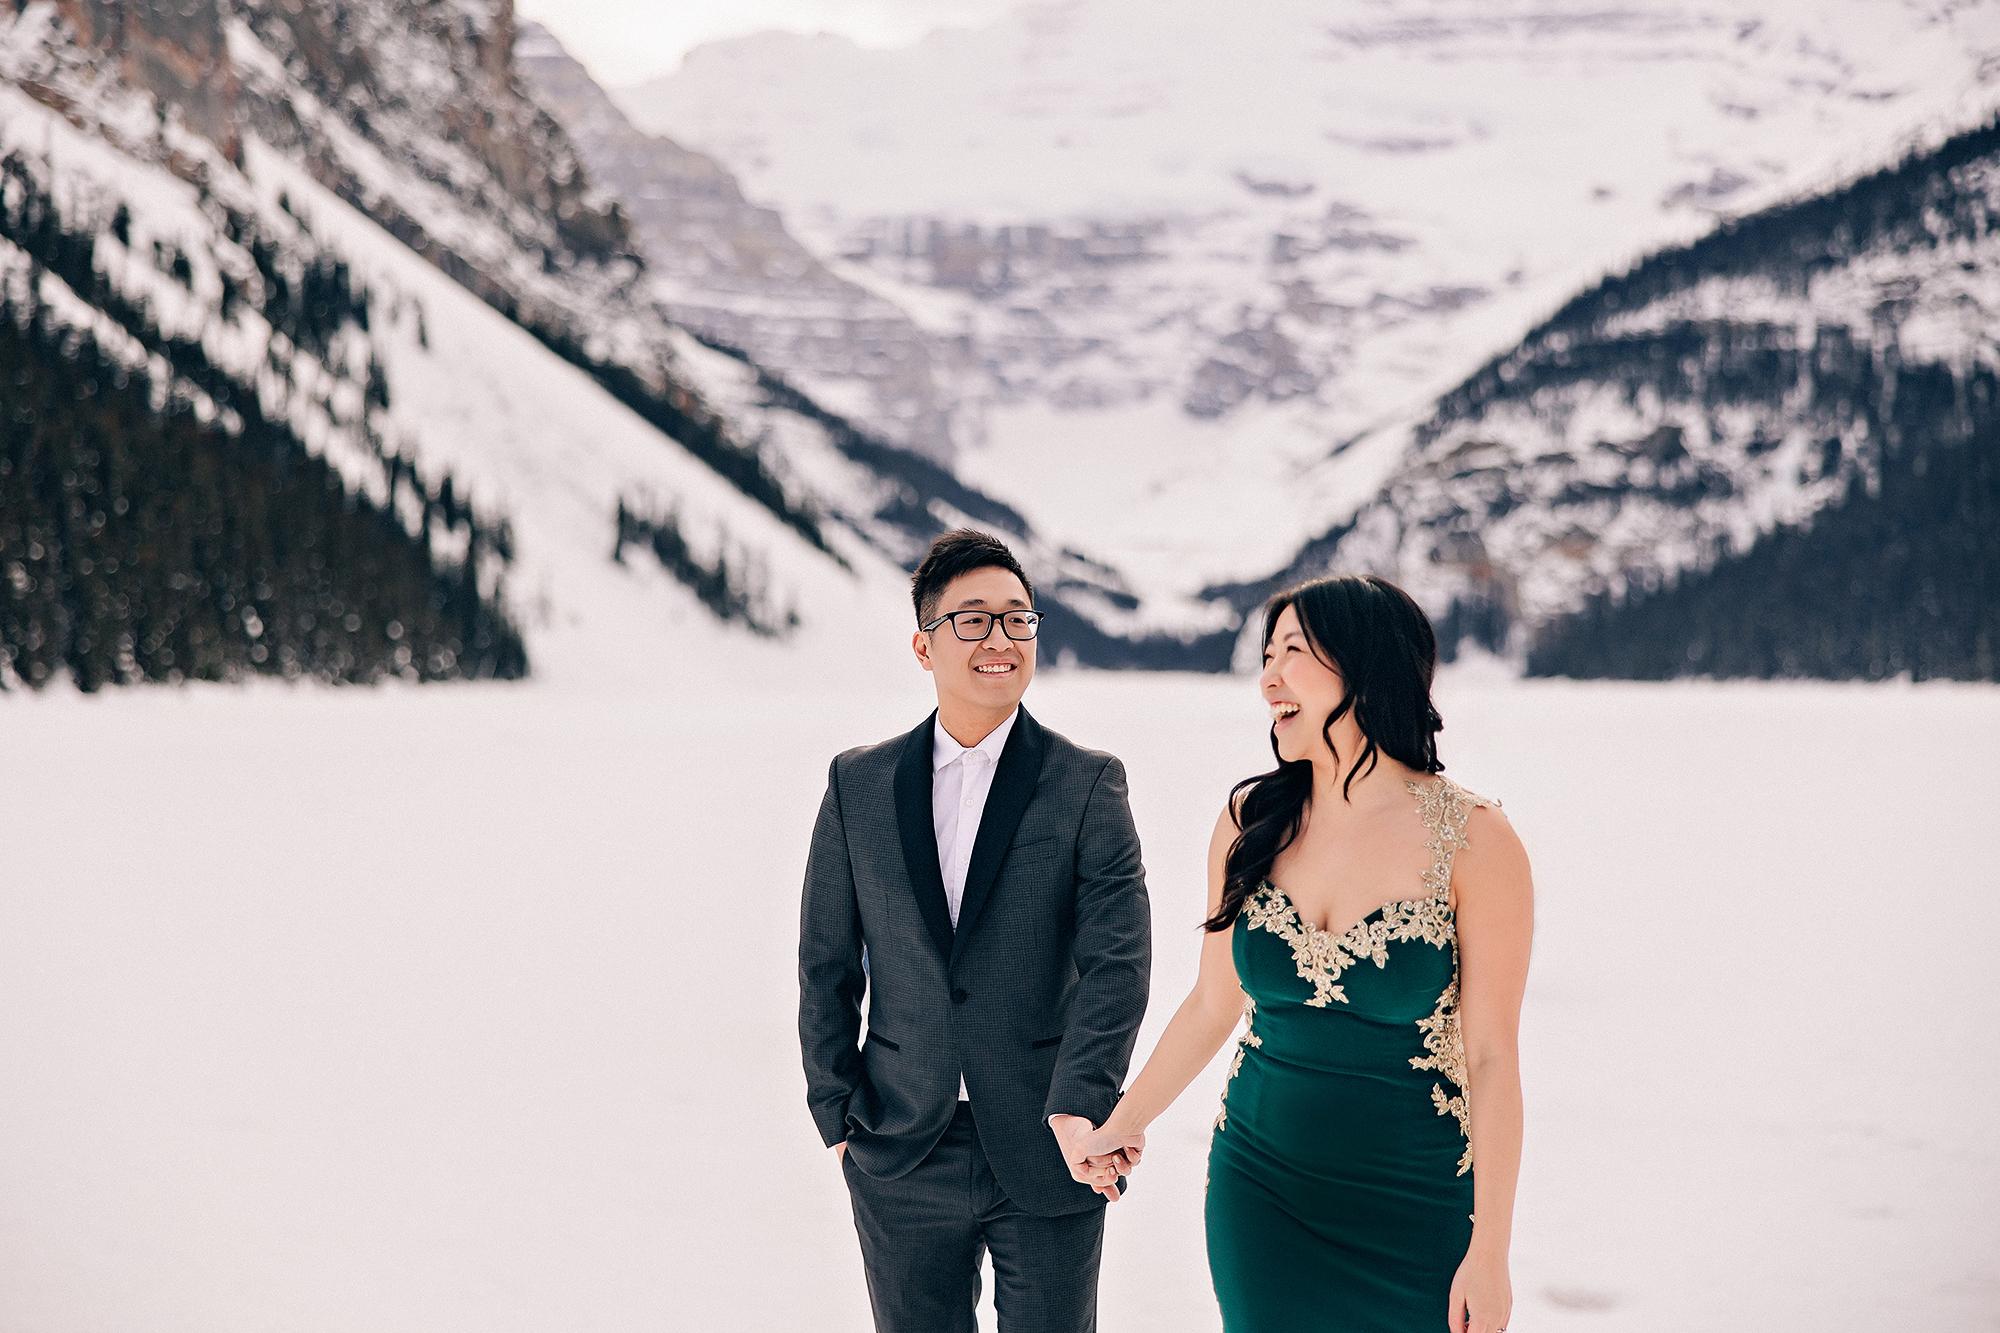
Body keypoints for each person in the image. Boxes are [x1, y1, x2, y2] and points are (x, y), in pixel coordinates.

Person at [1077, 574, 1533, 1333]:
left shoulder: (1477, 840)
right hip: (1262, 1191)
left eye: (1293, 651)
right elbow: (1212, 1004)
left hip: (1418, 1204)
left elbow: (1491, 1057)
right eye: (1265, 654)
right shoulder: (1250, 821)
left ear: (1363, 664)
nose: (1267, 678)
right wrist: (1123, 1121)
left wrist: (1491, 1251)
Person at [797, 527, 1153, 1333]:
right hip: (899, 1145)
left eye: (1018, 618)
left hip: (1050, 1142)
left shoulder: (1088, 783)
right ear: (924, 646)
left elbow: (1117, 965)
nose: (1001, 638)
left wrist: (1084, 1102)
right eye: (973, 619)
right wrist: (839, 1110)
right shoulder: (858, 783)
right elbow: (826, 962)